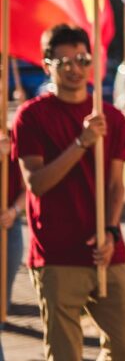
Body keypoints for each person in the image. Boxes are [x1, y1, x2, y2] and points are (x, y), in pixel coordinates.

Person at [11, 24, 125, 361]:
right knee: (66, 353)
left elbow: (116, 185)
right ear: (47, 65)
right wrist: (81, 143)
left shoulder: (111, 117)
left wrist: (111, 231)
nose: (74, 68)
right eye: (64, 61)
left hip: (106, 249)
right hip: (56, 252)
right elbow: (36, 183)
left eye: (82, 59)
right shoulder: (31, 117)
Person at [0, 133, 26, 361]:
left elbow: (30, 184)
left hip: (8, 227)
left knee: (1, 306)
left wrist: (14, 211)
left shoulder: (13, 138)